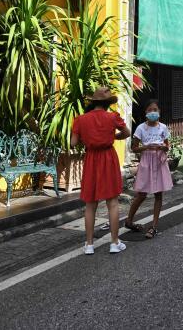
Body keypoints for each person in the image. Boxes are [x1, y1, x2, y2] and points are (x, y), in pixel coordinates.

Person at [71, 86, 131, 255]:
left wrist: (87, 138)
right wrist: (113, 137)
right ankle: (114, 243)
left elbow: (73, 143)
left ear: (93, 102)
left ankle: (89, 245)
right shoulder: (113, 117)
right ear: (107, 103)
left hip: (91, 159)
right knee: (112, 203)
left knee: (90, 205)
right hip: (108, 158)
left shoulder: (80, 119)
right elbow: (126, 132)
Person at [125, 100, 173, 239]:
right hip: (146, 161)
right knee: (142, 194)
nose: (153, 112)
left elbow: (167, 146)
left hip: (159, 161)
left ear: (159, 112)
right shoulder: (140, 128)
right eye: (150, 110)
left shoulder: (163, 127)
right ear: (146, 113)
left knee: (158, 194)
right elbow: (133, 148)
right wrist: (146, 147)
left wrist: (162, 148)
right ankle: (129, 221)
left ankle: (154, 226)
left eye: (155, 110)